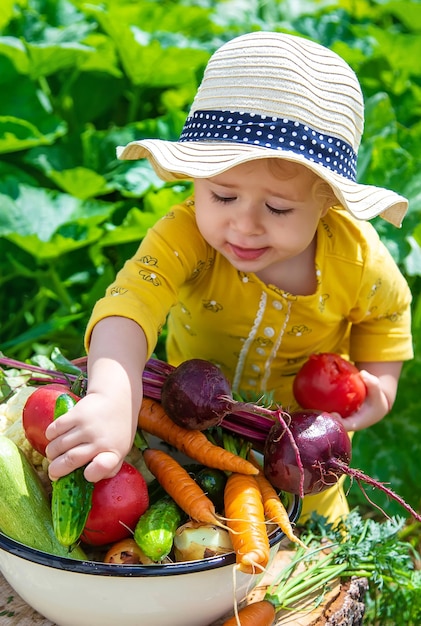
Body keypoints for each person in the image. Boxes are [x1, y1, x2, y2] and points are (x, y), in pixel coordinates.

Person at [45, 31, 413, 523]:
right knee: (194, 514)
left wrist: (380, 385)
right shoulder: (185, 237)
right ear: (195, 180)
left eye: (278, 208)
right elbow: (131, 305)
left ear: (328, 202)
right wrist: (113, 394)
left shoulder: (357, 259)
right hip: (188, 430)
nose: (244, 224)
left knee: (314, 532)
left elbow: (388, 312)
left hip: (301, 450)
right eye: (222, 197)